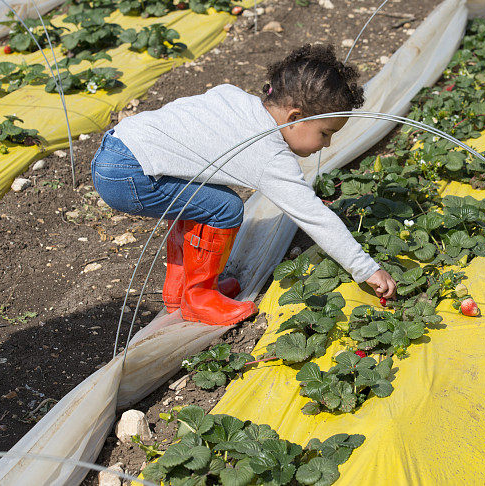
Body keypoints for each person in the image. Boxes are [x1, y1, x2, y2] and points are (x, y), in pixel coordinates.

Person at [91, 44, 397, 326]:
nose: (327, 144)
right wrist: (366, 268)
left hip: (115, 149)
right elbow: (313, 216)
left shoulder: (235, 99)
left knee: (203, 198)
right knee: (225, 207)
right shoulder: (269, 153)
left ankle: (180, 288)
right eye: (325, 133)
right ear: (294, 117)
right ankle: (199, 297)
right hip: (129, 174)